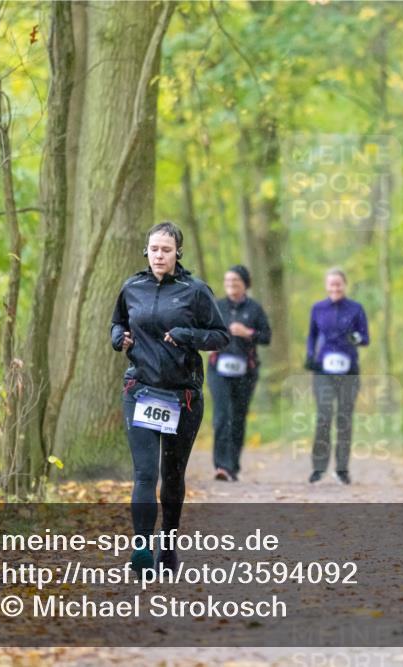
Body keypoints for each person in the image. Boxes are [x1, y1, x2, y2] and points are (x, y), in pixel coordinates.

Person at [110, 221, 228, 573]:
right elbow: (117, 323)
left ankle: (169, 546)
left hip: (182, 396)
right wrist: (119, 338)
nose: (159, 255)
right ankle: (142, 548)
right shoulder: (133, 287)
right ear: (146, 251)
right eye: (154, 249)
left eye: (166, 249)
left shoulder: (195, 291)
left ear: (178, 252)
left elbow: (220, 336)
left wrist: (187, 335)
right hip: (141, 390)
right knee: (145, 474)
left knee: (172, 477)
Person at [304, 268, 369, 485]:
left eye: (338, 284)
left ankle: (342, 469)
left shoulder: (356, 309)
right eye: (331, 284)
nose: (335, 288)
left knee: (344, 419)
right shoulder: (318, 308)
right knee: (324, 416)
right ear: (326, 286)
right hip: (323, 369)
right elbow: (312, 336)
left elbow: (365, 338)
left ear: (345, 285)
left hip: (349, 370)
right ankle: (319, 468)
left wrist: (356, 338)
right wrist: (309, 356)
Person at [207, 265, 272, 482]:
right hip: (219, 369)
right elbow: (204, 333)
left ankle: (232, 466)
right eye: (227, 281)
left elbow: (266, 337)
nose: (231, 285)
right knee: (222, 416)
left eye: (235, 281)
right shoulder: (217, 307)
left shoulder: (254, 309)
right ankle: (221, 466)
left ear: (245, 284)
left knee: (237, 417)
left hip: (246, 371)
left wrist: (248, 333)